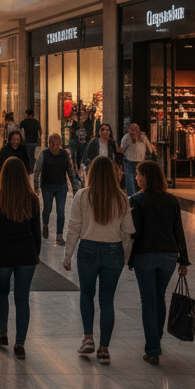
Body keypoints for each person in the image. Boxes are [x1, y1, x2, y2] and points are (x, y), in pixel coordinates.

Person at [63, 154, 135, 364]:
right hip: (113, 251)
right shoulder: (121, 198)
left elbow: (74, 228)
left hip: (88, 249)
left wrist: (67, 256)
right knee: (107, 300)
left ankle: (88, 338)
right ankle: (104, 349)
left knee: (86, 294)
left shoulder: (82, 195)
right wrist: (125, 257)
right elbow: (128, 231)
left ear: (92, 173)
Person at [129, 160, 190, 364]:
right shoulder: (172, 200)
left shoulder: (136, 200)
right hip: (169, 256)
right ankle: (156, 339)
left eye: (139, 174)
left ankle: (153, 348)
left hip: (146, 255)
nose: (136, 177)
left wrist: (128, 256)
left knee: (148, 301)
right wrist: (183, 260)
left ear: (147, 177)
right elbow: (178, 231)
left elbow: (134, 232)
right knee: (159, 298)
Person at [0, 156, 41, 358]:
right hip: (26, 253)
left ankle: (2, 333)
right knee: (22, 298)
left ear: (4, 175)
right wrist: (36, 253)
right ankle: (20, 343)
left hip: (3, 253)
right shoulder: (32, 199)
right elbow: (36, 231)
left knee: (2, 293)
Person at [33, 133, 82, 246]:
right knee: (47, 209)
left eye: (57, 144)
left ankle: (59, 236)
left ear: (60, 144)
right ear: (48, 144)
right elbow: (37, 170)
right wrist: (36, 187)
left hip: (61, 186)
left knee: (61, 211)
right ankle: (45, 224)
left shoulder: (64, 154)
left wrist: (74, 187)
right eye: (52, 144)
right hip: (47, 186)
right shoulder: (44, 154)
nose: (54, 147)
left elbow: (70, 170)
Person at [119, 122, 155, 197]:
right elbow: (122, 149)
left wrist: (151, 152)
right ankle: (132, 197)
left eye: (136, 128)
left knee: (139, 180)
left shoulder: (142, 137)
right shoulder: (127, 137)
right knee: (130, 181)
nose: (134, 130)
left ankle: (139, 195)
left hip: (140, 161)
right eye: (132, 128)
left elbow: (149, 146)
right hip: (129, 160)